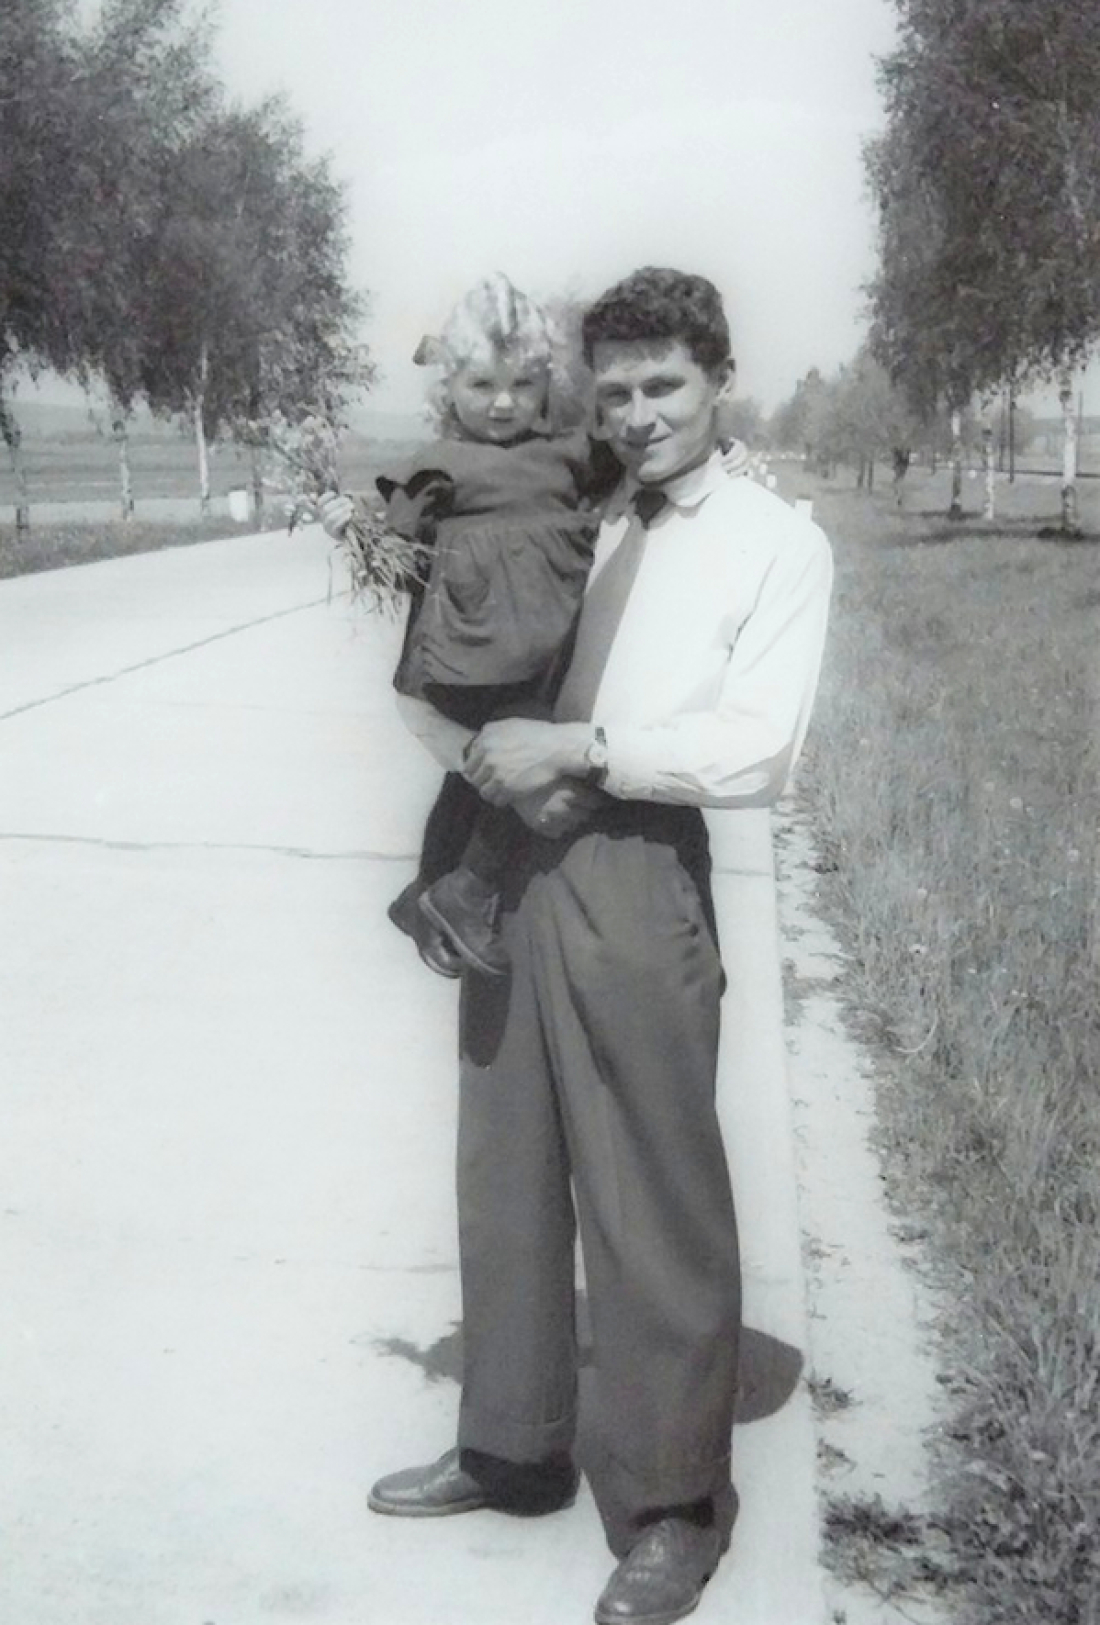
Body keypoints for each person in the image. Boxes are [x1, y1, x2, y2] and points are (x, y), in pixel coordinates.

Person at [364, 267, 833, 1625]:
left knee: (651, 1193)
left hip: (633, 867)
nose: (636, 414)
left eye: (664, 387)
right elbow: (453, 660)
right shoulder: (568, 496)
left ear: (717, 378)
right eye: (615, 390)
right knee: (502, 1167)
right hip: (506, 858)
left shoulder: (769, 541)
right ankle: (509, 1445)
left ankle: (673, 1509)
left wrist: (590, 748)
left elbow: (759, 745)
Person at [323, 272, 748, 981]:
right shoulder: (439, 468)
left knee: (477, 779)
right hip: (473, 652)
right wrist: (355, 534)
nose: (502, 403)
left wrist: (719, 449)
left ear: (547, 384)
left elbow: (646, 457)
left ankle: (426, 889)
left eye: (522, 385)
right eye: (482, 385)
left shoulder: (567, 455)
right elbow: (403, 562)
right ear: (448, 387)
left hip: (532, 648)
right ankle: (466, 891)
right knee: (517, 770)